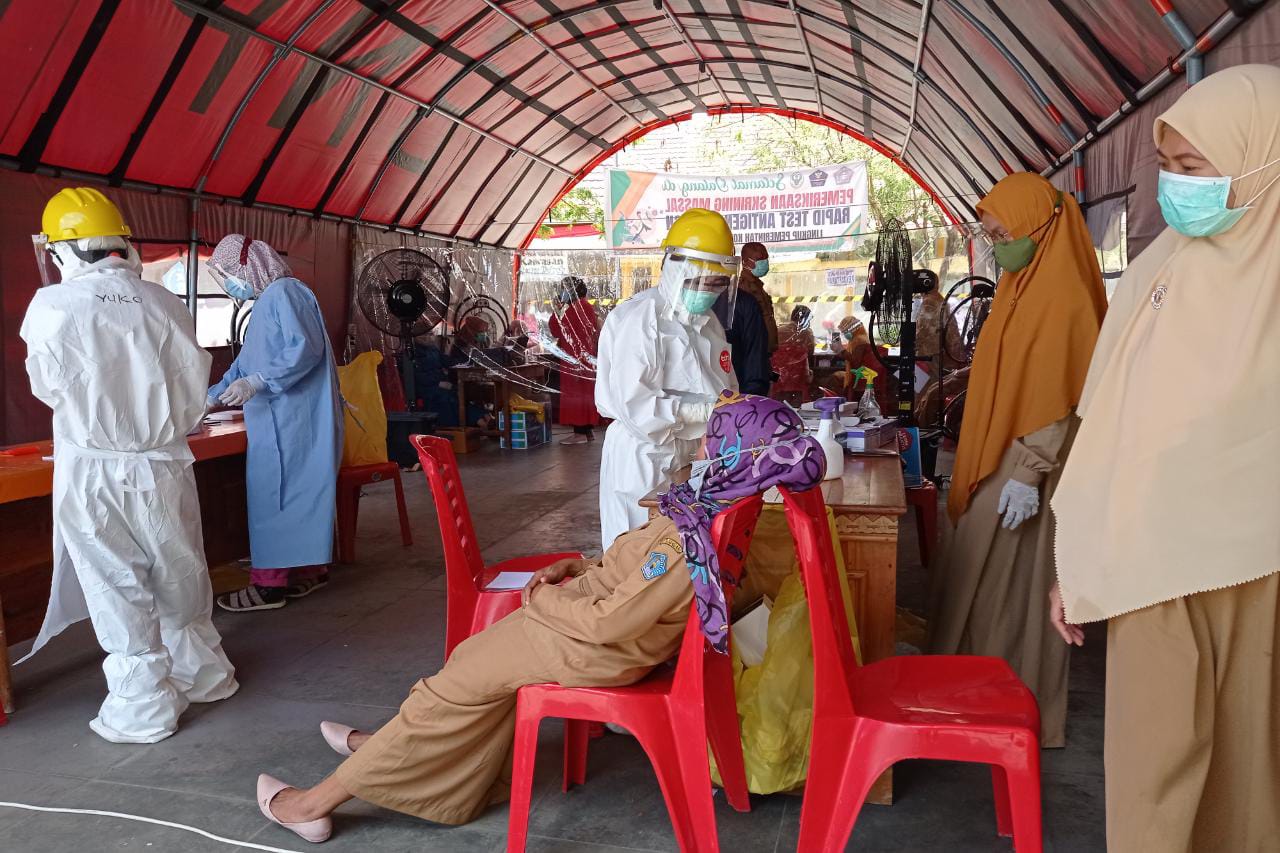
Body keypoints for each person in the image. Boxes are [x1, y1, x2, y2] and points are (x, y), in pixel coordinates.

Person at [250, 393, 824, 842]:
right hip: (593, 631)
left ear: (728, 455)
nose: (699, 449)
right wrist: (579, 565)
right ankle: (416, 762)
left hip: (594, 646)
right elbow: (629, 579)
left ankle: (311, 806)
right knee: (469, 673)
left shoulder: (683, 542)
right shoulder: (712, 510)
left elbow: (608, 624)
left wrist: (542, 597)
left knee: (453, 682)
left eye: (709, 441)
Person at [1049, 65, 1280, 850]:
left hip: (1258, 568)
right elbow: (1111, 426)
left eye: (1196, 169)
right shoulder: (1160, 271)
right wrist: (1078, 562)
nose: (1177, 190)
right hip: (1154, 569)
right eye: (1169, 169)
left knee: (1250, 774)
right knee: (1152, 776)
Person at [19, 187, 237, 743]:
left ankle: (143, 705)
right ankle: (204, 674)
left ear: (61, 249)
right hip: (164, 463)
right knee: (179, 568)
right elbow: (193, 391)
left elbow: (50, 387)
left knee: (117, 582)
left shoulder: (52, 306)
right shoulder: (164, 301)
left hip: (95, 468)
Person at [927, 172, 1106, 749]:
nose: (998, 244)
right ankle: (966, 696)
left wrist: (1029, 471)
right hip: (999, 453)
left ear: (1039, 225)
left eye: (1003, 233)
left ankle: (1013, 712)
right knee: (981, 583)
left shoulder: (1065, 295)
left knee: (1016, 592)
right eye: (991, 234)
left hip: (1033, 467)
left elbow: (1063, 394)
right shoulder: (1020, 283)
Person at [207, 235, 343, 612]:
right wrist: (213, 394)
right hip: (285, 418)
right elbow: (246, 363)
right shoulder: (270, 301)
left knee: (276, 496)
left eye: (229, 275)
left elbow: (304, 348)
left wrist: (259, 382)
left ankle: (270, 584)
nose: (230, 283)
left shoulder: (284, 293)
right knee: (299, 495)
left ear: (248, 267)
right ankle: (308, 570)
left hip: (292, 418)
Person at [595, 208, 740, 551]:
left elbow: (725, 387)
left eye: (718, 284)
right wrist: (699, 413)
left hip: (691, 457)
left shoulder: (708, 323)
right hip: (646, 455)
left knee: (677, 557)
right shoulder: (641, 319)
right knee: (636, 555)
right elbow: (636, 405)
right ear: (677, 269)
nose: (709, 291)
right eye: (702, 282)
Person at [548, 276, 601, 444]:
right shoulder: (585, 307)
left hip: (575, 360)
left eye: (564, 289)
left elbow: (557, 331)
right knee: (584, 396)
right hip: (584, 359)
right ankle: (586, 432)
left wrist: (557, 311)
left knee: (576, 397)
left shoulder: (574, 309)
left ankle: (579, 433)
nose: (561, 293)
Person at [713, 281, 771, 396]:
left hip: (736, 395)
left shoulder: (743, 303)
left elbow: (755, 358)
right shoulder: (680, 307)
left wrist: (750, 401)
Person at [738, 242, 777, 353]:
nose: (764, 263)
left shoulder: (758, 286)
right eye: (760, 260)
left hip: (763, 350)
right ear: (745, 262)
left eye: (766, 258)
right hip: (754, 351)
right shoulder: (743, 288)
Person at [771, 306, 816, 404]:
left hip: (777, 377)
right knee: (813, 375)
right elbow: (811, 352)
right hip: (799, 377)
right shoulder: (807, 333)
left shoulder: (778, 330)